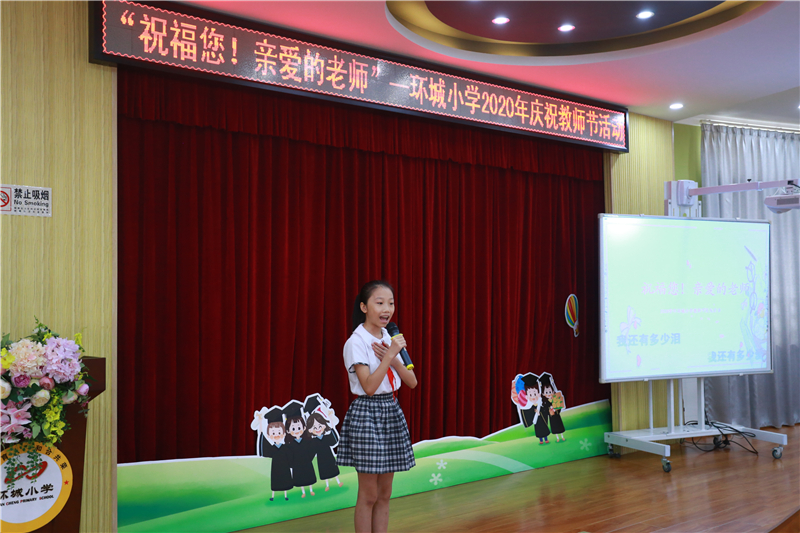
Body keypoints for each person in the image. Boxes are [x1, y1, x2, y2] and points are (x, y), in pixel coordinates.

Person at [337, 280, 418, 533]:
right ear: (364, 307)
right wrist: (390, 355)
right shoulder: (356, 342)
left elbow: (412, 382)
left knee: (385, 493)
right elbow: (369, 387)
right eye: (380, 302)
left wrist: (394, 359)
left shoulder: (390, 338)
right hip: (367, 413)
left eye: (391, 303)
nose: (387, 309)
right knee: (369, 494)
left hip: (391, 410)